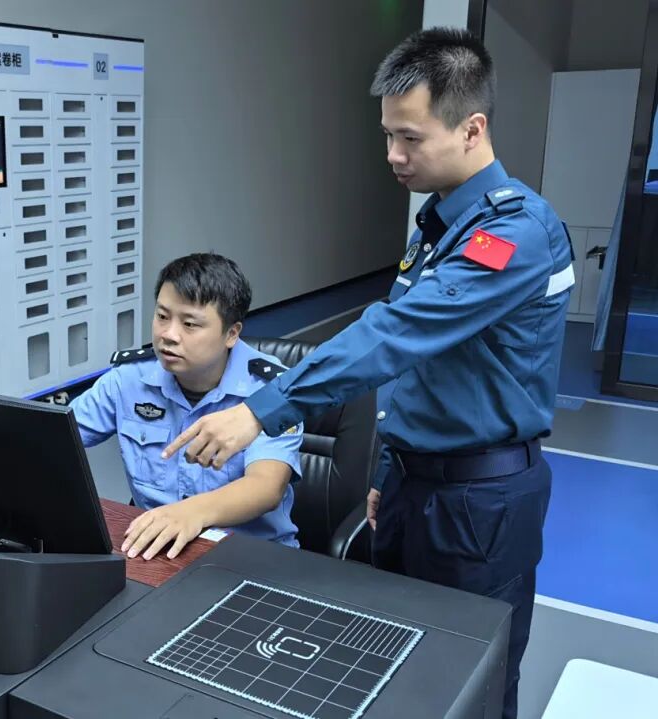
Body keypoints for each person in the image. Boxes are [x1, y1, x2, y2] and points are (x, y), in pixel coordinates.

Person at [160, 28, 573, 719]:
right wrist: (387, 473)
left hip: (479, 502)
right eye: (387, 135)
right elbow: (418, 368)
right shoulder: (439, 223)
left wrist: (260, 408)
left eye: (410, 138)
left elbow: (396, 335)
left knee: (473, 680)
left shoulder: (515, 233)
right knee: (393, 671)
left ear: (472, 129)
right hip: (415, 482)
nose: (393, 156)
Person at [71, 253, 303, 560]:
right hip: (157, 551)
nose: (168, 335)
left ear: (231, 334)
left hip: (251, 557)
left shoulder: (274, 390)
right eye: (162, 316)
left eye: (190, 324)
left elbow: (265, 486)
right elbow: (57, 436)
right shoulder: (128, 379)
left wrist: (191, 513)